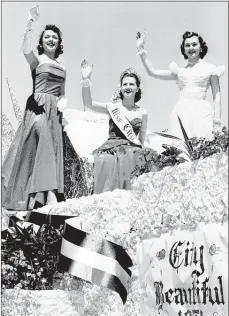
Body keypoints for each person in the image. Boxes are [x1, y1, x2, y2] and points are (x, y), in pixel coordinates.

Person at [2, 6, 67, 210]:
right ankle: (46, 196)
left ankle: (44, 195)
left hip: (54, 112)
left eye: (54, 37)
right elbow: (25, 50)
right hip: (38, 109)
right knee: (41, 147)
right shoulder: (37, 61)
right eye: (47, 36)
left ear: (58, 42)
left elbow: (62, 91)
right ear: (42, 41)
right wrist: (30, 25)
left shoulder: (63, 68)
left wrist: (63, 101)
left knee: (50, 151)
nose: (50, 39)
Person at [81, 59, 158, 194]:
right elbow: (88, 104)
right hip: (112, 147)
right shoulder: (112, 107)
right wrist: (86, 80)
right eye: (125, 84)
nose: (128, 86)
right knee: (114, 159)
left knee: (147, 155)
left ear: (137, 88)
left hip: (132, 148)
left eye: (131, 84)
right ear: (121, 87)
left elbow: (140, 141)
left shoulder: (142, 113)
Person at [136, 31, 225, 141]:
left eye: (194, 44)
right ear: (183, 49)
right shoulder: (180, 72)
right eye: (187, 45)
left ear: (201, 47)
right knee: (181, 148)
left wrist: (217, 122)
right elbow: (152, 72)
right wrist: (141, 49)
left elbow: (217, 96)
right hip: (182, 113)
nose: (191, 48)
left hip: (202, 113)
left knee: (202, 148)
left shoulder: (211, 69)